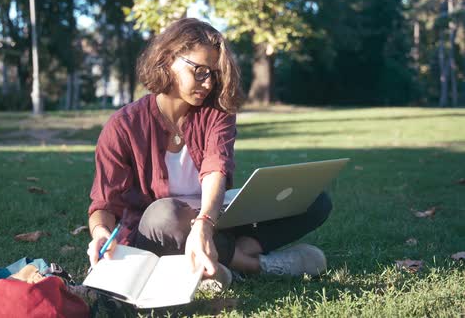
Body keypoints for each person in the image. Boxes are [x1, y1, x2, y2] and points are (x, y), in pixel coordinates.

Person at [86, 18, 332, 290]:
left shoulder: (217, 111)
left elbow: (216, 168)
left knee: (313, 198)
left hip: (214, 218)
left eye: (214, 73)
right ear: (167, 59)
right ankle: (254, 265)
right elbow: (105, 204)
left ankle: (236, 254)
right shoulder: (124, 125)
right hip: (160, 230)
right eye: (200, 71)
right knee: (164, 214)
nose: (207, 83)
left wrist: (204, 222)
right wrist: (100, 233)